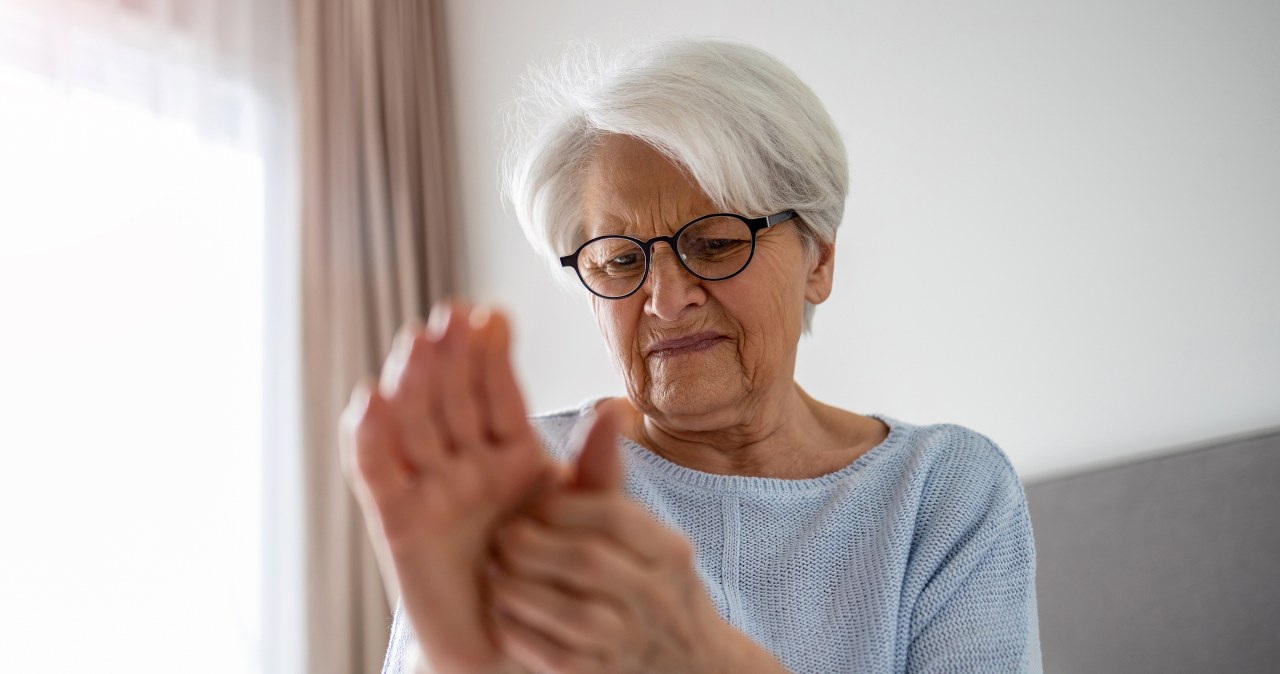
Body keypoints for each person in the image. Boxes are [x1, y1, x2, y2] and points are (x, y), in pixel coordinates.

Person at [341, 38, 1042, 674]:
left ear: (819, 260)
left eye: (714, 243)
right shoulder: (528, 485)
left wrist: (704, 659)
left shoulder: (941, 494)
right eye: (619, 260)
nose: (666, 299)